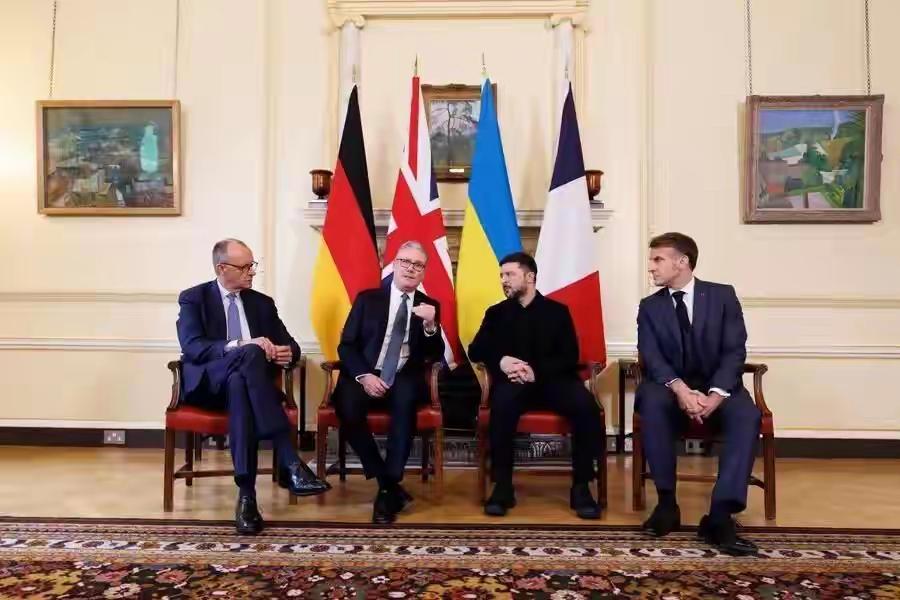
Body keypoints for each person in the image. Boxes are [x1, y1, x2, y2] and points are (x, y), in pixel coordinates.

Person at [176, 238, 329, 535]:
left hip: (244, 389)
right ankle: (289, 461)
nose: (252, 272)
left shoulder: (261, 303)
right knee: (249, 353)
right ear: (222, 268)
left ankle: (247, 496)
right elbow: (193, 347)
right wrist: (243, 345)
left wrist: (286, 353)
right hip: (208, 386)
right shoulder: (194, 298)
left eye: (252, 265)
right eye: (245, 267)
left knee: (239, 384)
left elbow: (292, 346)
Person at [637, 232, 761, 556]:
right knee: (651, 401)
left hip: (718, 387)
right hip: (670, 388)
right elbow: (652, 356)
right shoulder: (649, 307)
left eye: (658, 259)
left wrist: (716, 394)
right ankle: (666, 505)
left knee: (746, 414)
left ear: (682, 262)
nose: (651, 267)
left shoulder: (722, 296)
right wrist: (680, 388)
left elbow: (734, 350)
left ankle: (720, 517)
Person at [468, 252, 603, 519]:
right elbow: (476, 350)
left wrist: (535, 371)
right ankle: (503, 487)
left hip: (554, 381)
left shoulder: (557, 311)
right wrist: (502, 361)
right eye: (501, 275)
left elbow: (569, 356)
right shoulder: (496, 313)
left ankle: (581, 487)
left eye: (510, 274)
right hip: (513, 384)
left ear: (530, 277)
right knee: (501, 406)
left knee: (585, 406)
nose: (503, 280)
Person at [332, 240, 445, 524]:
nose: (410, 268)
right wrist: (364, 375)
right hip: (366, 372)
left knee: (405, 405)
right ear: (394, 265)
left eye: (417, 265)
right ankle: (387, 482)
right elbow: (346, 345)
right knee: (346, 407)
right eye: (405, 262)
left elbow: (435, 355)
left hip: (404, 374)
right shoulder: (368, 299)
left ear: (423, 272)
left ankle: (387, 487)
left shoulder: (429, 306)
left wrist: (431, 326)